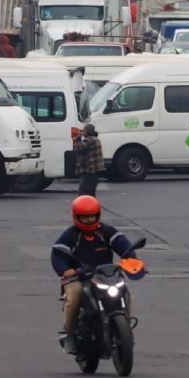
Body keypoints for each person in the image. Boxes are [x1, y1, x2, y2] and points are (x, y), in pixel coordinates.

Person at [51, 195, 140, 355]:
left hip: (107, 275)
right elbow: (57, 252)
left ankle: (125, 327)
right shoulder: (71, 235)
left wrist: (131, 259)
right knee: (73, 297)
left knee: (126, 294)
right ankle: (70, 334)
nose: (89, 220)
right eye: (85, 218)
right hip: (80, 277)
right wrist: (65, 270)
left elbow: (123, 245)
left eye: (92, 216)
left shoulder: (106, 232)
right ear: (76, 217)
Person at [75, 124, 105, 196]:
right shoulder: (96, 139)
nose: (83, 133)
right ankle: (92, 206)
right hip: (96, 170)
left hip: (90, 171)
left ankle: (84, 206)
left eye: (84, 131)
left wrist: (78, 138)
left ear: (87, 132)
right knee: (91, 192)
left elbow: (79, 148)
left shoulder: (89, 140)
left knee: (83, 192)